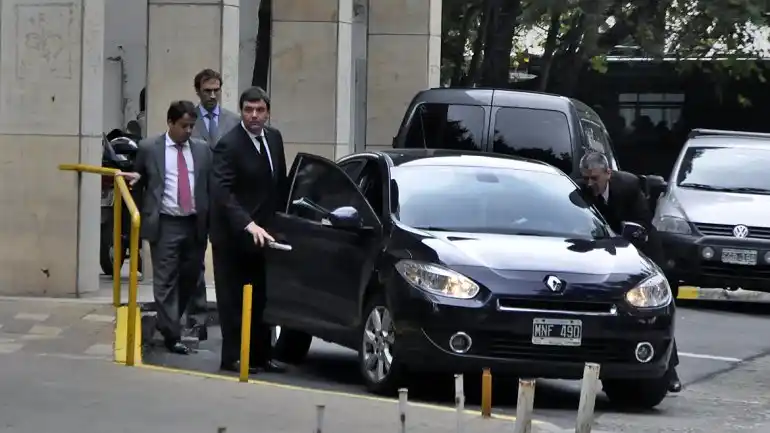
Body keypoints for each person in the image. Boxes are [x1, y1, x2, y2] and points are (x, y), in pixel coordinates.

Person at [578, 151, 682, 393]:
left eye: (595, 178)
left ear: (608, 174)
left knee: (651, 309)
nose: (590, 183)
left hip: (641, 247)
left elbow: (643, 225)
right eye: (586, 178)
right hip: (603, 248)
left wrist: (627, 246)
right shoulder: (581, 191)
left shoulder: (629, 187)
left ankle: (668, 372)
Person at [117, 100, 212, 355]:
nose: (188, 131)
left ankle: (167, 319)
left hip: (195, 223)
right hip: (166, 222)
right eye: (184, 126)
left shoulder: (202, 150)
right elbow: (140, 178)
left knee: (191, 277)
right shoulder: (150, 148)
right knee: (165, 279)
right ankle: (172, 334)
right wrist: (138, 182)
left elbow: (209, 185)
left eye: (192, 126)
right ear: (170, 123)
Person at [210, 86, 288, 374]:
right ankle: (232, 357)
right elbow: (222, 193)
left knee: (261, 296)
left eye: (259, 110)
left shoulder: (274, 139)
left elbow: (279, 183)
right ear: (241, 111)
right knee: (233, 299)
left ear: (267, 112)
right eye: (248, 110)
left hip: (263, 235)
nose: (254, 116)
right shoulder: (229, 145)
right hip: (232, 236)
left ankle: (260, 355)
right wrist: (247, 223)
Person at [182, 69, 240, 341]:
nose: (213, 95)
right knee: (194, 263)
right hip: (197, 199)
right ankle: (196, 319)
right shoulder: (188, 120)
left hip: (226, 201)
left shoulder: (233, 121)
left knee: (228, 262)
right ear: (198, 91)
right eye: (207, 91)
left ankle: (235, 321)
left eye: (217, 90)